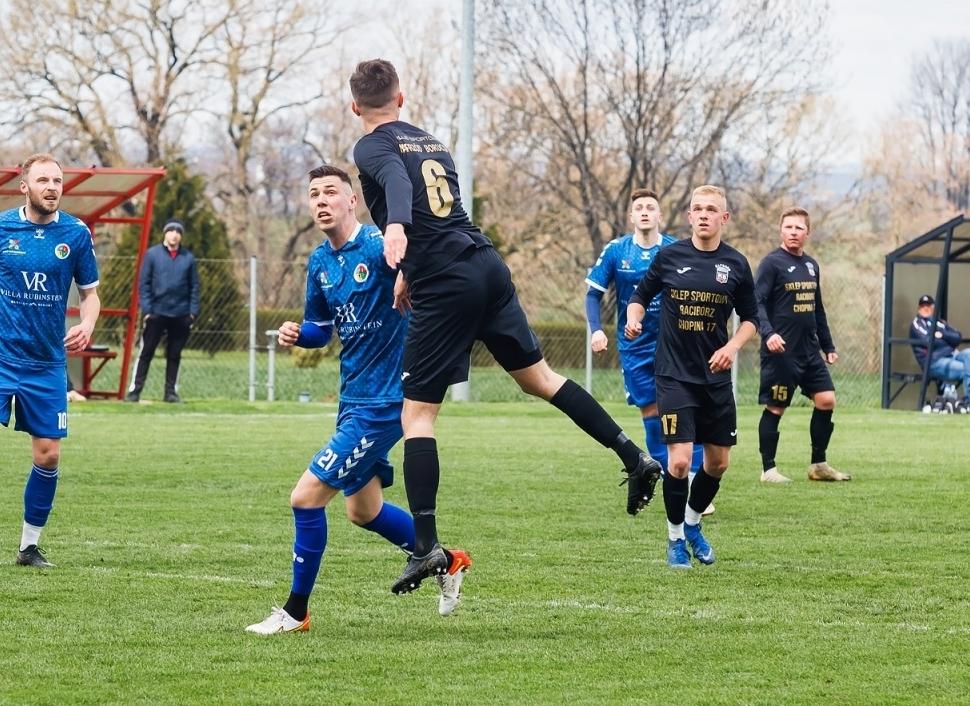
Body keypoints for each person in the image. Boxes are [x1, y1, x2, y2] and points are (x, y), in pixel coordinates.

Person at [347, 59, 660, 597]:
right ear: (402, 98)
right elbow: (440, 211)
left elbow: (398, 186)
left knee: (417, 414)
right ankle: (634, 456)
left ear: (356, 107)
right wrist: (409, 271)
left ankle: (424, 547)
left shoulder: (371, 146)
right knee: (540, 378)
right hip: (484, 264)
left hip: (446, 281)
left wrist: (397, 231)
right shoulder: (431, 141)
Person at [246, 165, 431, 635]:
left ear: (353, 201)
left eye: (331, 191)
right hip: (353, 398)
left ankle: (296, 612)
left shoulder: (380, 247)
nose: (321, 199)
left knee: (305, 498)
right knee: (363, 511)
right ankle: (445, 559)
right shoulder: (319, 262)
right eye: (313, 193)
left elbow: (427, 279)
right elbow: (322, 330)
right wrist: (297, 332)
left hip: (386, 401)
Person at [0, 153, 100, 569]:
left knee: (48, 455)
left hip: (47, 363)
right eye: (43, 180)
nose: (52, 186)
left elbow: (90, 294)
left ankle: (29, 546)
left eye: (58, 180)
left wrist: (87, 323)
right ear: (24, 187)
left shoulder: (76, 233)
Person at [626, 185, 760, 568]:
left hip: (715, 380)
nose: (703, 214)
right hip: (673, 375)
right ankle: (673, 541)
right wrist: (634, 319)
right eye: (697, 209)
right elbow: (640, 296)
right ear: (689, 217)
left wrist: (732, 347)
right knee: (681, 462)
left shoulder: (735, 264)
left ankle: (692, 523)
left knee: (718, 464)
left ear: (724, 218)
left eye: (711, 209)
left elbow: (752, 319)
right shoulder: (670, 256)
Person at [586, 189, 707, 499]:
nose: (644, 211)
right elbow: (593, 294)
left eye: (650, 207)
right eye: (638, 207)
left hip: (675, 343)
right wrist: (597, 330)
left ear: (659, 216)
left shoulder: (675, 250)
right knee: (651, 410)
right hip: (635, 346)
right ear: (631, 216)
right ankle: (670, 478)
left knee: (687, 408)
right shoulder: (616, 250)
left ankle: (692, 479)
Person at [753, 207, 849, 483]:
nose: (793, 232)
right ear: (781, 231)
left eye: (799, 228)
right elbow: (755, 302)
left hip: (809, 350)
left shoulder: (811, 265)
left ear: (808, 233)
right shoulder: (771, 263)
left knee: (826, 399)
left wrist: (828, 345)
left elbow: (817, 309)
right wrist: (768, 333)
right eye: (788, 227)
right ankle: (768, 470)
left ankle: (818, 465)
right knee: (776, 407)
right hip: (781, 352)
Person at [127, 219, 199, 404]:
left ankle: (170, 393)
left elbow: (194, 287)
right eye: (171, 230)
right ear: (165, 233)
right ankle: (134, 392)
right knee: (147, 352)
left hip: (181, 314)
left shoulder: (188, 258)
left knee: (174, 355)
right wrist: (148, 310)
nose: (174, 234)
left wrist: (192, 312)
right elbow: (144, 284)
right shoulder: (152, 255)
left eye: (178, 231)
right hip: (156, 313)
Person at [907, 295, 970, 411]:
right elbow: (930, 343)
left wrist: (942, 335)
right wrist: (949, 344)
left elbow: (958, 337)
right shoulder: (917, 324)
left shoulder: (940, 323)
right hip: (934, 362)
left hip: (952, 357)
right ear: (918, 308)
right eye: (922, 306)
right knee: (967, 371)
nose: (925, 308)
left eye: (928, 306)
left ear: (933, 307)